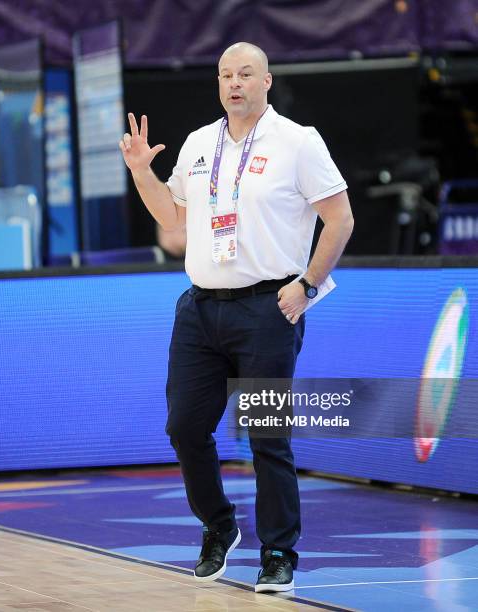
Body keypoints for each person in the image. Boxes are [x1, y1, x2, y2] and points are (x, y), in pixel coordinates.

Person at [119, 42, 353, 593]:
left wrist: (308, 284)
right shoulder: (200, 143)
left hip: (268, 308)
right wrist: (140, 172)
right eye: (226, 74)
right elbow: (173, 219)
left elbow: (339, 219)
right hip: (200, 309)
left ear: (267, 80)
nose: (234, 83)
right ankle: (220, 527)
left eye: (245, 73)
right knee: (184, 428)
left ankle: (278, 553)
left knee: (267, 435)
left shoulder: (298, 142)